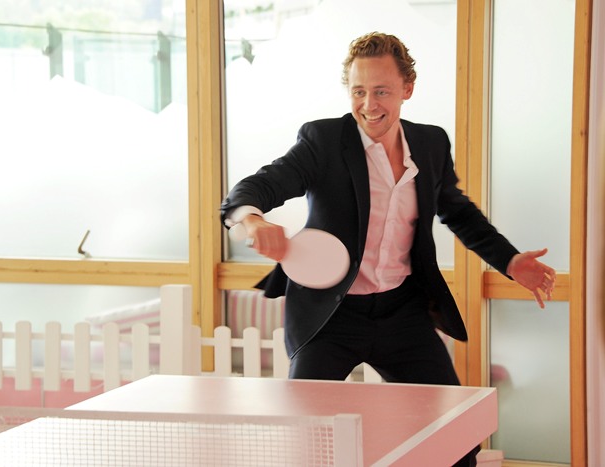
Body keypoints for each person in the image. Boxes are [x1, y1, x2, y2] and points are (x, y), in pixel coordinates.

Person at [220, 32, 556, 465]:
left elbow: (457, 212)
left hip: (403, 315)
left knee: (456, 436)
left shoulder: (431, 143)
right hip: (331, 317)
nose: (368, 104)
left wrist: (509, 260)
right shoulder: (324, 140)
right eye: (358, 91)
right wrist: (252, 218)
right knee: (308, 440)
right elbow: (257, 186)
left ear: (407, 89)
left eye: (381, 91)